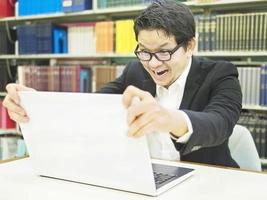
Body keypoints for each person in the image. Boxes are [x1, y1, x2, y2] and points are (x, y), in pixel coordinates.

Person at [3, 0, 242, 167]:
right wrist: (36, 103)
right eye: (144, 51)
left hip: (206, 181)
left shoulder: (221, 73)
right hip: (144, 177)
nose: (153, 63)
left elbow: (219, 124)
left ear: (190, 45)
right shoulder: (135, 71)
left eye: (164, 52)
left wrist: (167, 118)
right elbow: (91, 105)